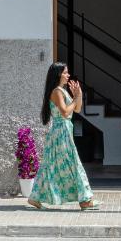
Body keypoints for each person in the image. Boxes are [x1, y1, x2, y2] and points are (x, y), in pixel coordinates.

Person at [28, 62, 99, 210]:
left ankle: (35, 198)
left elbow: (77, 109)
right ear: (58, 74)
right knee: (73, 163)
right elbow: (65, 112)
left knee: (51, 164)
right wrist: (74, 99)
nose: (68, 75)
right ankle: (85, 200)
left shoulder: (62, 91)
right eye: (65, 72)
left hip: (64, 130)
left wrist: (77, 95)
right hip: (61, 131)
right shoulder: (57, 92)